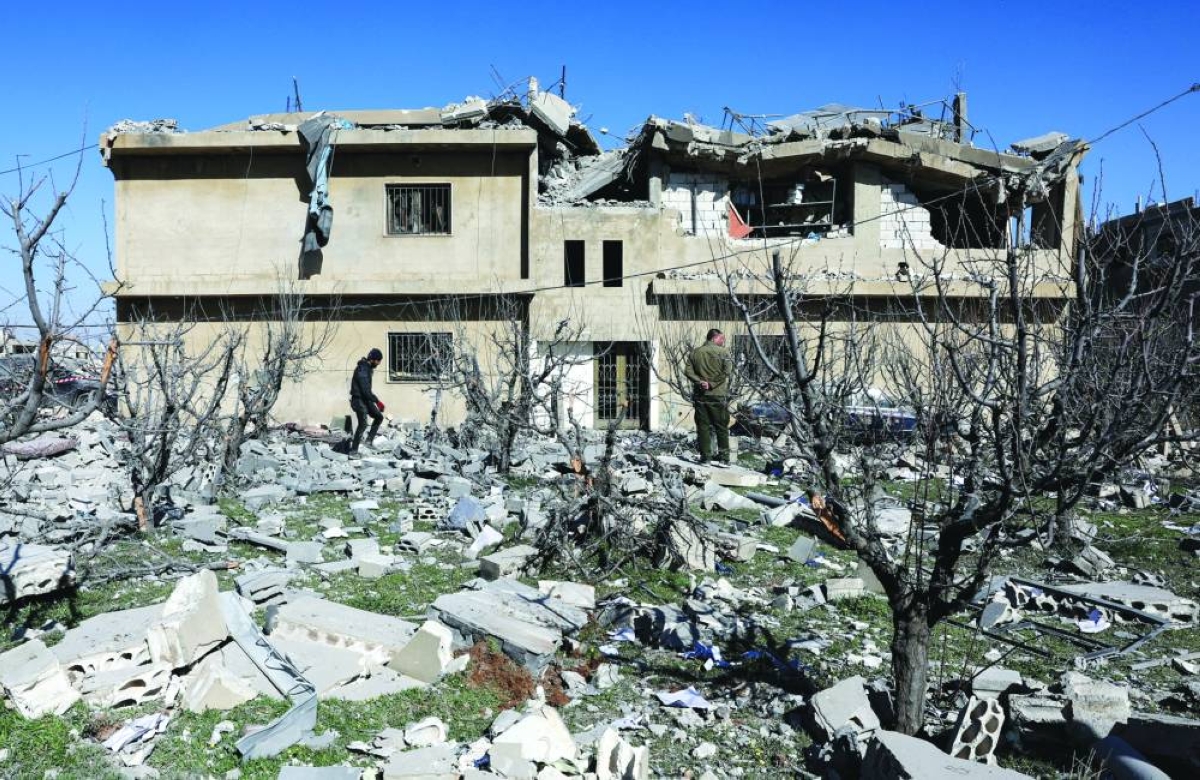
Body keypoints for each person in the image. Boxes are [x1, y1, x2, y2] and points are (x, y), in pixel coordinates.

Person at [684, 328, 732, 464]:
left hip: (701, 396)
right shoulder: (724, 353)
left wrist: (700, 382)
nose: (723, 341)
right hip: (718, 395)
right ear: (714, 338)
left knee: (703, 427)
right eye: (721, 338)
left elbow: (687, 371)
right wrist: (711, 384)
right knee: (721, 427)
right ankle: (724, 459)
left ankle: (706, 458)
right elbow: (726, 372)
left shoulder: (695, 353)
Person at [350, 348, 385, 453]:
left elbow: (366, 391)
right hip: (358, 400)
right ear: (373, 359)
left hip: (365, 399)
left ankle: (369, 441)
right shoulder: (362, 370)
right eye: (378, 361)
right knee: (363, 424)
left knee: (379, 417)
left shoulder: (368, 368)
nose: (379, 363)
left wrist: (374, 401)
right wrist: (377, 402)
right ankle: (353, 451)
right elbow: (365, 390)